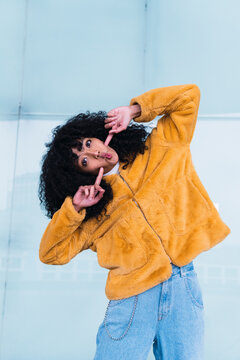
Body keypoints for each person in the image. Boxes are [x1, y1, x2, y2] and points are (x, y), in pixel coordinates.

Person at [38, 84, 231, 360]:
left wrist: (135, 110)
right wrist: (75, 209)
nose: (95, 154)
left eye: (89, 143)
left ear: (99, 133)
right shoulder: (93, 211)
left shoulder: (162, 146)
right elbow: (50, 253)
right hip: (132, 300)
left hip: (183, 286)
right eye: (84, 161)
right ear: (80, 176)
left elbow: (189, 97)